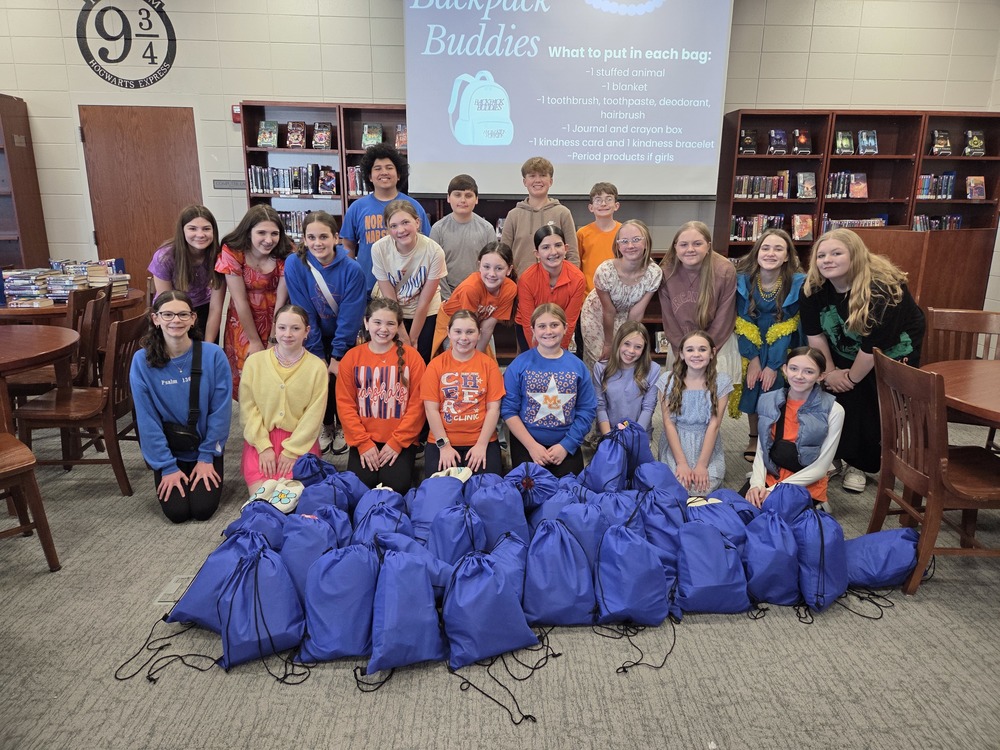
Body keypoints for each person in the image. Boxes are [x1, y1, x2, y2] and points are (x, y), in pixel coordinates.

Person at [801, 228, 925, 493]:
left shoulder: (884, 289)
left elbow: (873, 347)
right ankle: (834, 453)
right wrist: (831, 372)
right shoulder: (813, 288)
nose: (827, 260)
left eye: (836, 253)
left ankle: (861, 464)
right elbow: (815, 334)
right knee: (829, 395)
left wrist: (850, 379)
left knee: (870, 401)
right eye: (821, 255)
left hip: (889, 352)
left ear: (855, 255)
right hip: (842, 348)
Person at [129, 291, 232, 523]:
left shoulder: (213, 355)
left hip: (206, 447)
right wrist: (166, 466)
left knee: (202, 510)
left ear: (193, 318)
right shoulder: (141, 361)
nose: (176, 320)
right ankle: (172, 467)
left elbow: (221, 411)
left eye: (183, 314)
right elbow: (146, 419)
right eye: (167, 314)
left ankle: (203, 462)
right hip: (170, 450)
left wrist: (207, 457)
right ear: (156, 319)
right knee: (177, 513)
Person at [283, 210, 367, 455]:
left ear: (336, 238)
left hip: (345, 336)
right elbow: (304, 309)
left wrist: (338, 354)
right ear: (304, 239)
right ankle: (326, 424)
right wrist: (318, 352)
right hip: (313, 334)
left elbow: (350, 315)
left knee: (343, 381)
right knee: (319, 381)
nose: (317, 243)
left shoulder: (353, 269)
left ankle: (342, 425)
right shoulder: (295, 264)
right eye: (311, 238)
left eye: (323, 237)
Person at [335, 298, 426, 494]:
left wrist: (397, 442)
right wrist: (363, 443)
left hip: (400, 439)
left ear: (398, 326)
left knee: (395, 487)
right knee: (358, 488)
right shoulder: (352, 358)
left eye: (390, 323)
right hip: (365, 439)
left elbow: (418, 405)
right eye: (377, 322)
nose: (383, 329)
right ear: (366, 323)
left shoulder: (412, 358)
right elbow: (345, 404)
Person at [238, 305, 329, 497]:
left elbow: (314, 415)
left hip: (300, 442)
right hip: (261, 441)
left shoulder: (317, 367)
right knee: (263, 502)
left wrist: (292, 451)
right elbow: (248, 408)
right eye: (282, 328)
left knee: (288, 503)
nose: (287, 334)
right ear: (275, 328)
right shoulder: (254, 363)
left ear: (307, 332)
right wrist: (263, 447)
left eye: (295, 328)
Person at [501, 303, 597, 478]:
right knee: (528, 493)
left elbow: (587, 409)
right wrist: (531, 446)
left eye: (554, 325)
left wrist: (566, 445)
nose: (548, 331)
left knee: (570, 494)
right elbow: (508, 410)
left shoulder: (578, 367)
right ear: (533, 330)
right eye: (542, 326)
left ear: (565, 327)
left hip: (565, 442)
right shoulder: (519, 365)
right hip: (527, 442)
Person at [734, 228, 806, 461]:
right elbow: (742, 321)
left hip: (783, 347)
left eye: (778, 249)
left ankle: (776, 437)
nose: (771, 253)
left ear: (787, 256)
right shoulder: (744, 281)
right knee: (752, 385)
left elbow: (789, 325)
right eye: (765, 248)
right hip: (751, 343)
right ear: (757, 252)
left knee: (776, 389)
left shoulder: (796, 283)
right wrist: (754, 360)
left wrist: (774, 364)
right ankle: (754, 437)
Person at [745, 347, 845, 508]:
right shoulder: (767, 400)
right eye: (793, 369)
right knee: (737, 513)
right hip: (770, 477)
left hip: (806, 486)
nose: (799, 376)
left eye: (809, 372)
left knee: (770, 524)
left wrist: (775, 490)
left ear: (821, 376)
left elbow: (820, 468)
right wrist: (756, 484)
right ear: (784, 369)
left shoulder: (834, 410)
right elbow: (762, 449)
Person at [215, 204, 290, 395]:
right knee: (248, 377)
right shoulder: (232, 251)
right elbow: (239, 300)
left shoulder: (286, 252)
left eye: (274, 233)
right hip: (244, 323)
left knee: (278, 377)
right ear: (249, 232)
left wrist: (274, 337)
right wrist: (254, 341)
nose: (268, 239)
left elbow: (282, 298)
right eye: (262, 233)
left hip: (276, 319)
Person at [421, 310, 506, 478]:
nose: (464, 338)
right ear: (448, 333)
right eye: (458, 331)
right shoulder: (435, 365)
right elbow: (431, 410)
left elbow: (493, 409)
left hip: (482, 440)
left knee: (487, 492)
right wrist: (444, 446)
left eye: (470, 332)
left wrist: (482, 445)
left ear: (479, 334)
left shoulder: (488, 365)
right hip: (443, 441)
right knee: (442, 492)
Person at [339, 143, 431, 293]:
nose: (384, 172)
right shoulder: (357, 208)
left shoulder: (413, 206)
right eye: (377, 168)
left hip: (407, 289)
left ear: (399, 174)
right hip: (367, 287)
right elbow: (348, 246)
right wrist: (351, 276)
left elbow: (426, 244)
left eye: (389, 168)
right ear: (369, 176)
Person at [657, 221, 739, 385]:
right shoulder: (666, 271)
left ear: (708, 246)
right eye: (684, 244)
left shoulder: (725, 270)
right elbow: (669, 319)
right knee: (680, 398)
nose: (690, 249)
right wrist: (685, 351)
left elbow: (725, 317)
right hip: (680, 343)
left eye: (697, 244)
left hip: (717, 345)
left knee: (714, 398)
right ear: (675, 247)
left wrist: (704, 351)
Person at [578, 219, 662, 369]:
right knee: (601, 360)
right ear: (618, 245)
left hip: (628, 315)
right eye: (624, 241)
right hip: (598, 314)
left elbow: (637, 312)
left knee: (624, 359)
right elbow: (608, 311)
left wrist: (629, 340)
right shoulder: (605, 271)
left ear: (646, 243)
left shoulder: (654, 273)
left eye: (636, 240)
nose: (630, 246)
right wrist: (609, 344)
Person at [657, 330, 732, 495]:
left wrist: (702, 465)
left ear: (712, 353)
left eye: (702, 349)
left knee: (703, 488)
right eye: (690, 350)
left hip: (705, 444)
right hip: (677, 443)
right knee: (678, 487)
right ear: (682, 354)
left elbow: (714, 425)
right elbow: (669, 423)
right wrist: (681, 463)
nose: (696, 354)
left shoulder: (722, 382)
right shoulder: (667, 380)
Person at [371, 200, 447, 363]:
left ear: (417, 222)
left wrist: (412, 339)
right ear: (388, 229)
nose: (401, 230)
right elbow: (390, 298)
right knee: (393, 358)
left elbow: (424, 302)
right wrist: (403, 335)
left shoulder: (434, 251)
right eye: (394, 226)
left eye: (406, 222)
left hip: (424, 310)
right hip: (393, 307)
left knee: (420, 357)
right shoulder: (379, 249)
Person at [147, 205, 225, 341]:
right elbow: (167, 302)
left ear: (214, 231)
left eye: (206, 229)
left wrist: (208, 346)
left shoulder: (220, 257)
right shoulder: (164, 257)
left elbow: (216, 308)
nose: (200, 234)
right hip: (170, 313)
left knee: (202, 357)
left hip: (203, 309)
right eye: (192, 228)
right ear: (182, 231)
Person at [430, 241, 517, 359]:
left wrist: (478, 357)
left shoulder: (510, 288)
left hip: (480, 322)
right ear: (479, 265)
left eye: (499, 268)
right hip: (453, 322)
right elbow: (467, 327)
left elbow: (488, 327)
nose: (492, 274)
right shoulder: (470, 288)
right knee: (457, 358)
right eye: (486, 267)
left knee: (486, 360)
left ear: (509, 270)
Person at [500, 156, 580, 274]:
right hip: (520, 285)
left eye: (543, 175)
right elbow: (503, 255)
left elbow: (572, 255)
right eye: (532, 176)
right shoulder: (513, 215)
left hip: (556, 286)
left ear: (551, 181)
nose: (538, 180)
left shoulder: (563, 213)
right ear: (524, 181)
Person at [515, 225, 586, 353]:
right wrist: (539, 354)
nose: (553, 252)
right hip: (530, 328)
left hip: (559, 328)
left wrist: (559, 352)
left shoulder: (578, 278)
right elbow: (528, 322)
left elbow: (569, 322)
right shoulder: (527, 279)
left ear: (566, 249)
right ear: (537, 254)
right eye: (546, 247)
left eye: (558, 245)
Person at [430, 174, 497, 301]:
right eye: (457, 195)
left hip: (479, 294)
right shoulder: (438, 229)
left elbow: (492, 266)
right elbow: (435, 268)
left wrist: (482, 294)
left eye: (468, 195)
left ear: (476, 199)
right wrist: (447, 299)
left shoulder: (487, 229)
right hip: (446, 296)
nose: (463, 200)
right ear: (448, 198)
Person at [592, 321, 661, 438]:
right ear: (618, 343)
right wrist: (609, 438)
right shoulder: (601, 368)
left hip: (638, 434)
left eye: (638, 347)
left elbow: (648, 407)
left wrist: (633, 437)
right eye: (627, 344)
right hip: (610, 434)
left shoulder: (653, 369)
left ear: (644, 349)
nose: (631, 351)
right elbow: (600, 406)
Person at [577, 182, 622, 295]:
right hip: (588, 296)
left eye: (608, 199)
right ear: (591, 207)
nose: (603, 204)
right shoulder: (582, 233)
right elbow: (577, 267)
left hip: (618, 295)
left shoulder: (624, 232)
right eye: (598, 200)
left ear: (616, 205)